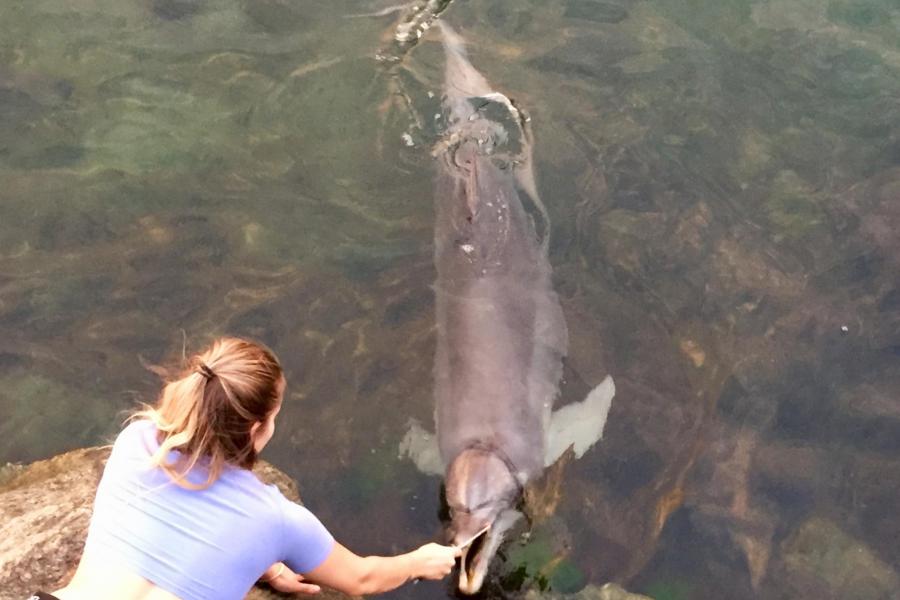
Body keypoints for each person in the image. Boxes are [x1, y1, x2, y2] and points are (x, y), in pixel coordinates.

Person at [42, 336, 460, 600]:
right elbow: (363, 579)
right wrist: (420, 561)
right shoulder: (276, 521)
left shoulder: (138, 441)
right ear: (258, 428)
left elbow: (182, 526)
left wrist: (260, 559)